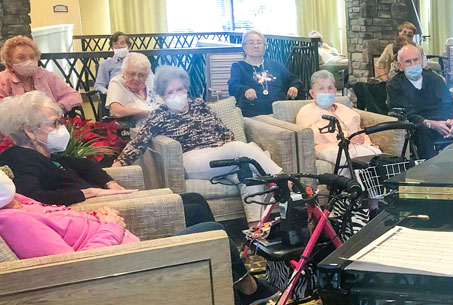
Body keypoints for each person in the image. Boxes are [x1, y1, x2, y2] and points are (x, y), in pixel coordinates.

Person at [0, 170, 285, 305]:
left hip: (130, 256)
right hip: (124, 274)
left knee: (208, 227)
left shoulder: (19, 202)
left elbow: (64, 220)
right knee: (212, 235)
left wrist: (98, 216)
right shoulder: (13, 221)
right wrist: (111, 226)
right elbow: (71, 270)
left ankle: (247, 294)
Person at [0, 90, 216, 226]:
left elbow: (84, 165)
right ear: (29, 131)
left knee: (195, 198)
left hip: (109, 200)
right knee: (195, 208)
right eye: (54, 123)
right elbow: (33, 197)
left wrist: (109, 183)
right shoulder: (22, 159)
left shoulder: (47, 155)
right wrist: (89, 192)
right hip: (98, 214)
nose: (61, 127)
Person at [114, 66, 283, 224]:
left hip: (221, 155)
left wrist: (225, 143)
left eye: (179, 89)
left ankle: (257, 231)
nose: (176, 94)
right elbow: (138, 142)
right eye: (169, 92)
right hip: (193, 160)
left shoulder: (199, 105)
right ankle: (283, 179)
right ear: (162, 96)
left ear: (186, 88)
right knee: (242, 149)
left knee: (246, 174)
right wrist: (119, 164)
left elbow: (223, 130)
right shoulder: (160, 114)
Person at [386, 43, 453, 159]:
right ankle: (429, 170)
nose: (413, 64)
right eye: (408, 62)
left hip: (443, 122)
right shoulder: (395, 85)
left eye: (416, 60)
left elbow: (447, 103)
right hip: (420, 124)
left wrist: (452, 121)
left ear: (422, 61)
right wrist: (432, 124)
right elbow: (407, 113)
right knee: (422, 130)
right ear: (400, 66)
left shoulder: (435, 79)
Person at [296, 70, 381, 170]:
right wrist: (348, 137)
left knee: (376, 155)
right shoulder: (306, 111)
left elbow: (359, 131)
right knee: (344, 157)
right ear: (312, 93)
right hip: (327, 147)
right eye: (321, 88)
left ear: (335, 91)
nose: (327, 92)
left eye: (330, 88)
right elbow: (317, 135)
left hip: (354, 145)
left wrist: (368, 143)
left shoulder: (344, 109)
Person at [227, 30, 301, 118]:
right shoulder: (238, 67)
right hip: (254, 112)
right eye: (251, 43)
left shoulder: (275, 65)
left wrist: (294, 87)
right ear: (244, 47)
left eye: (259, 43)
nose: (256, 46)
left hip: (280, 110)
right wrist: (245, 90)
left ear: (264, 47)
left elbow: (294, 80)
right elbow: (233, 85)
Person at [0, 35, 82, 112]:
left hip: (51, 124)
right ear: (9, 62)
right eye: (21, 58)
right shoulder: (2, 80)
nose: (28, 61)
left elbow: (74, 96)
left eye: (32, 57)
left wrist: (57, 106)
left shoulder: (45, 75)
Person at [106, 52, 156, 124]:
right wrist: (143, 112)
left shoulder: (151, 80)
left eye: (142, 75)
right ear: (123, 72)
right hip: (133, 128)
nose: (136, 78)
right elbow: (116, 111)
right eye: (132, 74)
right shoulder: (117, 82)